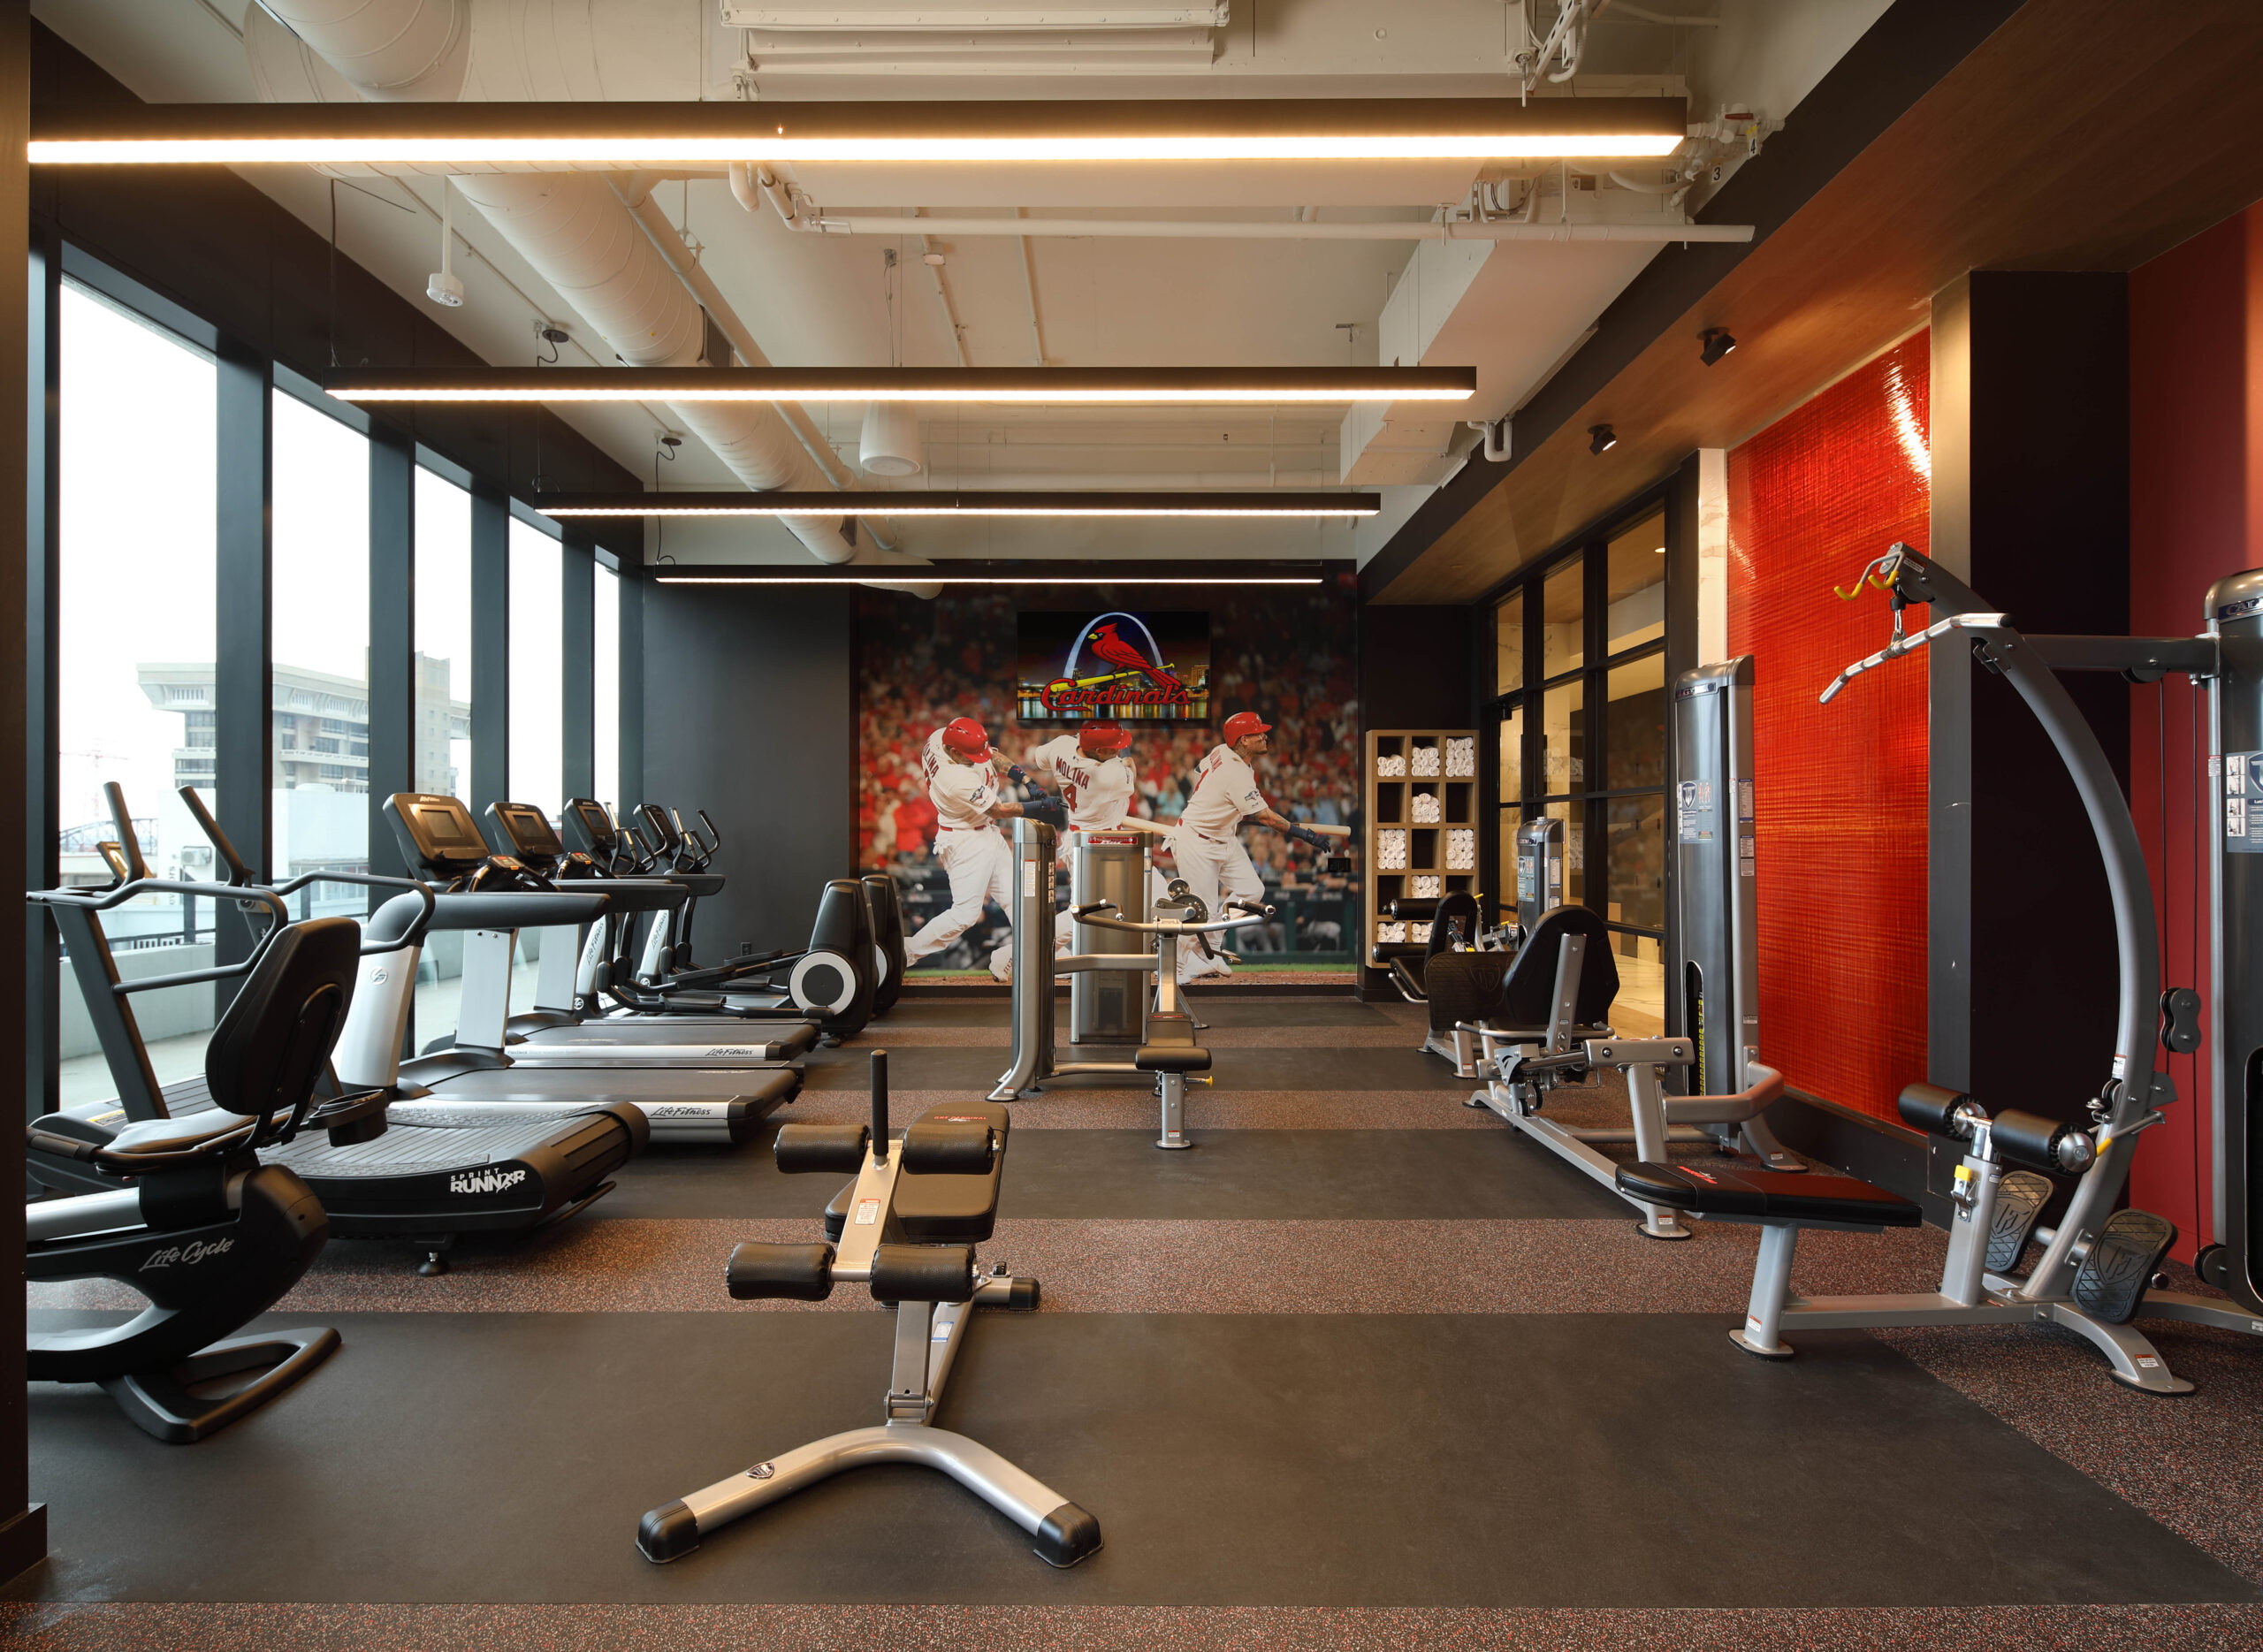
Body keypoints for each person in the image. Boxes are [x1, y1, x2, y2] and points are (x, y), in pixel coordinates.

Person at [1165, 711, 1330, 982]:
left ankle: (1210, 951)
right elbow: (1266, 817)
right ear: (1243, 740)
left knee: (1253, 890)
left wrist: (1223, 809)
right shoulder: (1236, 771)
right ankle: (1178, 968)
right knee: (1201, 911)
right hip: (1196, 840)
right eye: (1258, 733)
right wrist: (1306, 835)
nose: (1265, 735)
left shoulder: (1222, 751)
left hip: (1222, 836)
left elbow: (1201, 773)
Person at [902, 716, 1063, 980]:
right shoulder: (954, 778)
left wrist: (1026, 781)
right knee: (965, 914)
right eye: (970, 755)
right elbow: (997, 810)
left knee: (1019, 900)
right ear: (953, 752)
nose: (978, 758)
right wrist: (1040, 807)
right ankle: (906, 952)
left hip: (984, 830)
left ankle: (1027, 959)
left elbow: (992, 757)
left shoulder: (942, 736)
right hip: (965, 840)